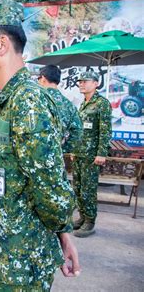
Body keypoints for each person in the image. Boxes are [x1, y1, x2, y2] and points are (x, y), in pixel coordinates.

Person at [0, 0, 80, 290]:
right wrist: (62, 233)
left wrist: (62, 232)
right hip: (8, 248)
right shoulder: (13, 98)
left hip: (21, 255)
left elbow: (51, 185)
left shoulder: (26, 101)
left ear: (1, 45)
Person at [72, 71, 112, 238]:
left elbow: (105, 131)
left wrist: (101, 153)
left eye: (85, 81)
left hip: (92, 156)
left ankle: (90, 221)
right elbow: (80, 131)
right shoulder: (83, 104)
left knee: (88, 189)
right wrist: (74, 150)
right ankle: (82, 217)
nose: (81, 84)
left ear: (96, 83)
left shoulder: (102, 103)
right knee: (78, 188)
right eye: (80, 81)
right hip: (80, 154)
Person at [38, 65, 83, 153]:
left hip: (35, 156)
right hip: (56, 158)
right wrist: (63, 149)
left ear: (43, 78)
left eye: (38, 78)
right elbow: (78, 132)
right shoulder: (69, 105)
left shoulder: (36, 100)